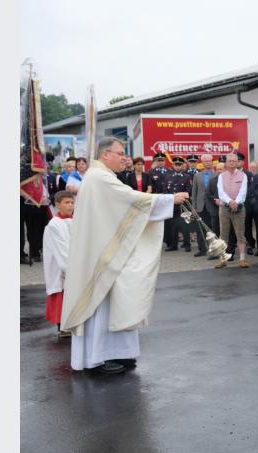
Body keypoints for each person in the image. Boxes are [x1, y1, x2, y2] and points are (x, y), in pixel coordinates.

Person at [61, 137, 189, 374]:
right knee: (102, 305)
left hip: (104, 249)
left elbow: (126, 204)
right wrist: (171, 199)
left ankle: (121, 353)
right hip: (101, 254)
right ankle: (97, 359)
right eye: (120, 153)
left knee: (116, 301)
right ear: (105, 154)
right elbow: (132, 201)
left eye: (125, 153)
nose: (124, 158)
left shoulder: (101, 176)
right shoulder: (100, 177)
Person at [42, 190, 74, 337]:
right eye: (67, 202)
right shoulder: (54, 225)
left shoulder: (75, 220)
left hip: (73, 262)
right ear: (57, 205)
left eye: (72, 202)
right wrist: (70, 268)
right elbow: (62, 250)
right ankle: (62, 325)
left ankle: (72, 322)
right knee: (62, 293)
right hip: (61, 265)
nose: (70, 205)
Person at [216, 153, 250, 269]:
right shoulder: (221, 176)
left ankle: (242, 259)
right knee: (223, 234)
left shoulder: (243, 176)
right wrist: (230, 201)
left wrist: (236, 202)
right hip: (225, 208)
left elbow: (243, 191)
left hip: (239, 208)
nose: (232, 163)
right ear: (226, 162)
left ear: (237, 162)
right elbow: (221, 192)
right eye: (230, 161)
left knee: (240, 233)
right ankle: (222, 259)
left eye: (234, 161)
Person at [164, 156, 193, 252]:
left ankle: (187, 244)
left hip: (183, 205)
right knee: (172, 226)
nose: (177, 167)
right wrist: (172, 197)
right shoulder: (168, 176)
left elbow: (189, 192)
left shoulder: (187, 177)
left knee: (185, 225)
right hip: (171, 204)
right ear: (173, 165)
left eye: (179, 165)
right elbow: (165, 191)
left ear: (182, 165)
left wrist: (177, 196)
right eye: (176, 165)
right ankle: (173, 245)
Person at [191, 154, 216, 257]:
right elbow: (194, 192)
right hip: (200, 206)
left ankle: (213, 249)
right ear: (202, 162)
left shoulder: (217, 174)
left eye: (210, 161)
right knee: (200, 228)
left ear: (212, 162)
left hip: (213, 206)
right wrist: (194, 206)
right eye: (206, 161)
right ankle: (202, 249)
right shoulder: (197, 175)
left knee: (213, 228)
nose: (208, 163)